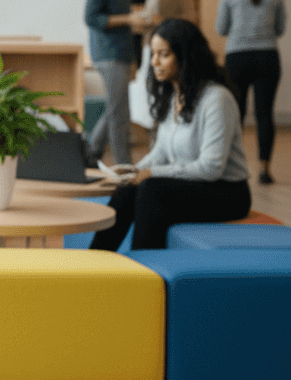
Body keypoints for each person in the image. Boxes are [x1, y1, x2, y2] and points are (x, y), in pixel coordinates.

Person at [90, 18, 251, 250]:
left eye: (163, 54)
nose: (154, 62)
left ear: (185, 56)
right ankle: (95, 262)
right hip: (193, 185)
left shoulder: (217, 99)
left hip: (227, 193)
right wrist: (131, 172)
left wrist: (150, 173)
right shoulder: (174, 95)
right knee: (129, 188)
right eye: (153, 54)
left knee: (151, 189)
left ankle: (144, 273)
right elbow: (161, 152)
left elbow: (211, 167)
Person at [217, 0, 287, 184]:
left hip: (237, 58)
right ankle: (265, 169)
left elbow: (221, 28)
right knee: (264, 114)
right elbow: (280, 29)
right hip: (267, 57)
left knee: (235, 113)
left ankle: (232, 167)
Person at [84, 0, 148, 166]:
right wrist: (128, 19)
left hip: (122, 53)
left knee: (115, 107)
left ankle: (89, 154)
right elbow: (91, 18)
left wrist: (133, 16)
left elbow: (118, 15)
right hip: (108, 53)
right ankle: (124, 166)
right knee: (119, 114)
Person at [129, 0, 192, 129]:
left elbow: (188, 16)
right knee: (149, 91)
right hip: (148, 45)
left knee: (165, 91)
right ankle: (154, 137)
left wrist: (161, 20)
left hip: (169, 46)